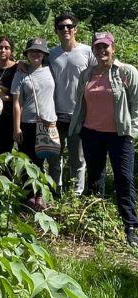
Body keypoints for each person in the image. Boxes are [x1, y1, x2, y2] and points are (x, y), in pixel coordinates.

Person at [69, 32, 138, 247]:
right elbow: (81, 103)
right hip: (91, 133)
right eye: (97, 47)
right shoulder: (87, 74)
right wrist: (78, 128)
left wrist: (132, 131)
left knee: (124, 179)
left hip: (120, 135)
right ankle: (97, 218)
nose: (102, 51)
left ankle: (131, 225)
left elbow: (136, 105)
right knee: (95, 177)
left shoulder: (127, 72)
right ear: (93, 49)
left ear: (113, 48)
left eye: (105, 47)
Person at [47, 12, 98, 195]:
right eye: (61, 27)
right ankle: (56, 191)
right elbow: (35, 66)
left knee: (78, 158)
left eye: (69, 26)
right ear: (56, 31)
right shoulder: (51, 54)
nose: (65, 30)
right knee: (55, 157)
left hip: (80, 114)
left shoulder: (87, 52)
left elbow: (102, 67)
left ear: (75, 29)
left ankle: (76, 194)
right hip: (55, 114)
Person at [11, 38, 56, 208]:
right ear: (27, 54)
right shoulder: (21, 73)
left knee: (42, 160)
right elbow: (17, 102)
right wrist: (17, 127)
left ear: (45, 54)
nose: (36, 54)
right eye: (32, 51)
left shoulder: (51, 69)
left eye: (39, 51)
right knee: (27, 161)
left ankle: (42, 194)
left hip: (48, 123)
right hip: (28, 123)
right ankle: (30, 195)